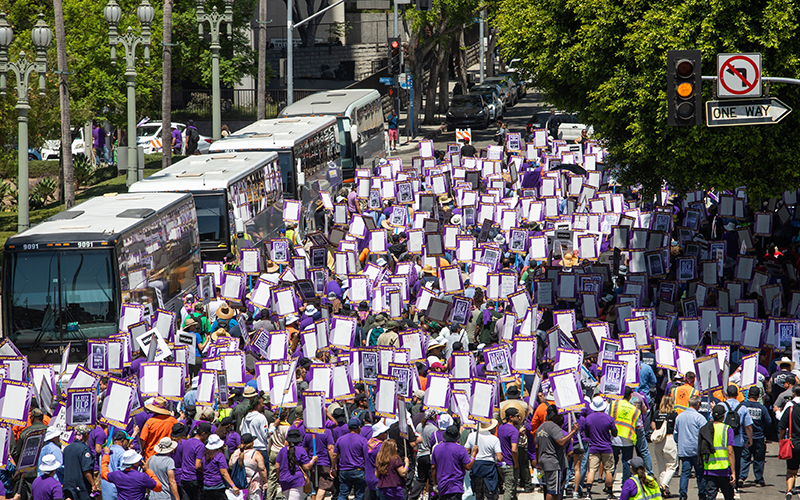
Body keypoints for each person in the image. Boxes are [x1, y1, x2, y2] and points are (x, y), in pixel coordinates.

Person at [535, 405, 579, 500]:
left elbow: (537, 447)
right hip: (553, 463)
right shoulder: (553, 427)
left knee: (551, 488)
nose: (561, 417)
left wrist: (538, 462)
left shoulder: (540, 427)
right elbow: (561, 442)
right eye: (559, 415)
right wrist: (573, 431)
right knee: (552, 491)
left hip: (544, 461)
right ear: (554, 415)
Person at [719, 384, 752, 493]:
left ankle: (723, 484)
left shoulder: (721, 406)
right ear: (737, 394)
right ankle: (735, 484)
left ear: (726, 394)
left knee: (723, 462)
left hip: (722, 440)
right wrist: (750, 439)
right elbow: (748, 426)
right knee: (736, 463)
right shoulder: (742, 408)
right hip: (737, 440)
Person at [673, 395, 707, 500]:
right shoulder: (699, 418)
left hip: (684, 449)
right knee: (700, 474)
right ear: (697, 404)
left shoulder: (680, 416)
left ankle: (682, 495)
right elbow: (705, 433)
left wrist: (679, 442)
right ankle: (702, 494)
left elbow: (676, 433)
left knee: (685, 473)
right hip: (697, 450)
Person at [583, 396, 617, 499]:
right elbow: (615, 433)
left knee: (592, 470)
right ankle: (610, 493)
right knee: (608, 470)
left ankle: (588, 493)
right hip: (606, 447)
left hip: (593, 447)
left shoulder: (588, 418)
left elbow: (587, 434)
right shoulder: (609, 418)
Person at [700, 404, 735, 500]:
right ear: (724, 415)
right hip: (724, 469)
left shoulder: (705, 429)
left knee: (710, 497)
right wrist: (733, 472)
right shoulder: (727, 429)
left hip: (709, 468)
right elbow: (730, 452)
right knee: (729, 496)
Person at [431, 424, 474, 500]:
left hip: (442, 486)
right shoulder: (461, 449)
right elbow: (468, 467)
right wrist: (474, 454)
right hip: (456, 486)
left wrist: (435, 484)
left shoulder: (437, 448)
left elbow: (433, 468)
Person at [609, 387, 640, 486]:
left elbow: (607, 417)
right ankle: (625, 483)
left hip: (615, 438)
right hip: (628, 439)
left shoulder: (614, 405)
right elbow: (638, 425)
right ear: (631, 395)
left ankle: (608, 484)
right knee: (627, 463)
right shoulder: (634, 409)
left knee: (612, 463)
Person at [740, 386, 771, 487]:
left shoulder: (742, 406)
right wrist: (764, 433)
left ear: (748, 395)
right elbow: (768, 422)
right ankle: (759, 479)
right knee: (759, 459)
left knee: (744, 458)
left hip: (744, 437)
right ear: (758, 396)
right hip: (759, 437)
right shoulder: (762, 408)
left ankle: (741, 477)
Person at [465, 419, 502, 500]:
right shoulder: (494, 439)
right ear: (491, 428)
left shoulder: (472, 436)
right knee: (490, 493)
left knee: (478, 494)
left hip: (476, 466)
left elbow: (466, 451)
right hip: (489, 468)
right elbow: (499, 458)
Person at [333, 418, 369, 500]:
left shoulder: (340, 439)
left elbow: (334, 455)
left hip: (344, 471)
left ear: (348, 428)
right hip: (359, 470)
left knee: (342, 494)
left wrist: (333, 467)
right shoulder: (363, 440)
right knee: (359, 496)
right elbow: (366, 456)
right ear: (359, 427)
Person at [276, 428, 316, 500]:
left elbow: (277, 467)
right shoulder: (301, 450)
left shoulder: (282, 450)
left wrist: (279, 477)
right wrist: (313, 460)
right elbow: (306, 467)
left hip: (284, 480)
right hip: (297, 480)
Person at [651, 395, 678, 497]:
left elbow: (653, 426)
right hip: (669, 439)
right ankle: (663, 485)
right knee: (672, 466)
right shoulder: (673, 414)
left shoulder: (657, 413)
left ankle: (665, 490)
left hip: (658, 441)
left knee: (661, 466)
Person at [177, 421, 213, 500]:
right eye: (208, 435)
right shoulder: (200, 446)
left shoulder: (187, 441)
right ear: (203, 433)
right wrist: (205, 472)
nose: (208, 437)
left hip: (184, 478)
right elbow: (198, 465)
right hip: (194, 479)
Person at [409, 409, 439, 500]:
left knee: (421, 479)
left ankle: (412, 496)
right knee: (431, 480)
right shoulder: (434, 429)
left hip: (420, 455)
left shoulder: (419, 426)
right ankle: (432, 497)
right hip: (429, 456)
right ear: (433, 417)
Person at [63, 425, 97, 500]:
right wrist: (93, 484)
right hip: (81, 487)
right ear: (86, 435)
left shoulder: (66, 449)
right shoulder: (84, 449)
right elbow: (86, 470)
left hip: (68, 485)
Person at [230, 434, 269, 500]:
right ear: (251, 443)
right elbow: (262, 469)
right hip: (253, 485)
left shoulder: (236, 453)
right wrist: (265, 482)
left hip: (238, 486)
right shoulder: (255, 454)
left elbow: (231, 466)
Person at [202, 434, 240, 500]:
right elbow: (224, 473)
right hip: (218, 487)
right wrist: (233, 485)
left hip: (206, 487)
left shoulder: (204, 456)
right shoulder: (219, 456)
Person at [140, 397, 179, 463]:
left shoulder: (150, 422)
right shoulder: (174, 421)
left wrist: (142, 450)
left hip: (151, 456)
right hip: (169, 456)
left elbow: (143, 439)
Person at [778, 384, 800, 500]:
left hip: (793, 443)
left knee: (791, 471)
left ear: (793, 393)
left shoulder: (790, 409)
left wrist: (781, 440)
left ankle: (789, 490)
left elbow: (782, 427)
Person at [497, 406, 521, 500]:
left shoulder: (501, 427)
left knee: (511, 488)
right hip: (509, 464)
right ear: (511, 417)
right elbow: (514, 449)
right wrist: (516, 463)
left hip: (500, 463)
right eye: (517, 416)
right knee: (509, 489)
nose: (519, 418)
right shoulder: (513, 430)